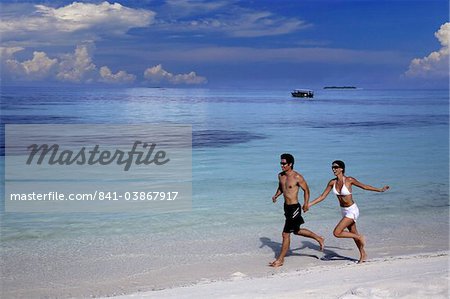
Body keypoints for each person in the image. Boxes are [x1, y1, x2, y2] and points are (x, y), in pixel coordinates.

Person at [307, 160, 389, 263]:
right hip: (344, 211)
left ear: (341, 169)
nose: (334, 169)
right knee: (352, 233)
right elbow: (323, 196)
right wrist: (309, 204)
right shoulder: (332, 182)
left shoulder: (349, 180)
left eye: (336, 167)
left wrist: (380, 190)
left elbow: (364, 186)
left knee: (337, 232)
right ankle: (363, 254)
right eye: (332, 167)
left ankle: (360, 237)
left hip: (352, 210)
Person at [270, 153, 324, 267]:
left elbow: (306, 190)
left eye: (284, 163)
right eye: (281, 163)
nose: (282, 165)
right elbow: (281, 187)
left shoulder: (297, 177)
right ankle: (319, 238)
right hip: (286, 207)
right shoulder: (280, 176)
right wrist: (276, 195)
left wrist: (306, 204)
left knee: (285, 234)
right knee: (296, 231)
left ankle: (280, 260)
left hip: (295, 207)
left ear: (290, 164)